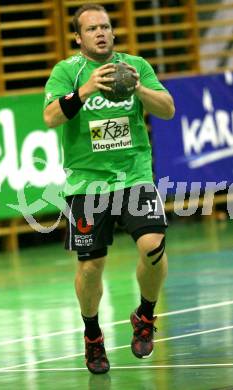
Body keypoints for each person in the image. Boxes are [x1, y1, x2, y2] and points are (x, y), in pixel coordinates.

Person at [43, 3, 175, 375]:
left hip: (133, 176)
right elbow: (51, 116)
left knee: (154, 246)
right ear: (79, 37)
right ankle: (92, 336)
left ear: (113, 32)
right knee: (90, 267)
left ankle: (145, 316)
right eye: (92, 29)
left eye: (105, 26)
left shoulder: (135, 66)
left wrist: (139, 89)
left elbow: (167, 109)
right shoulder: (67, 72)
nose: (100, 32)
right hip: (87, 183)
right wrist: (84, 91)